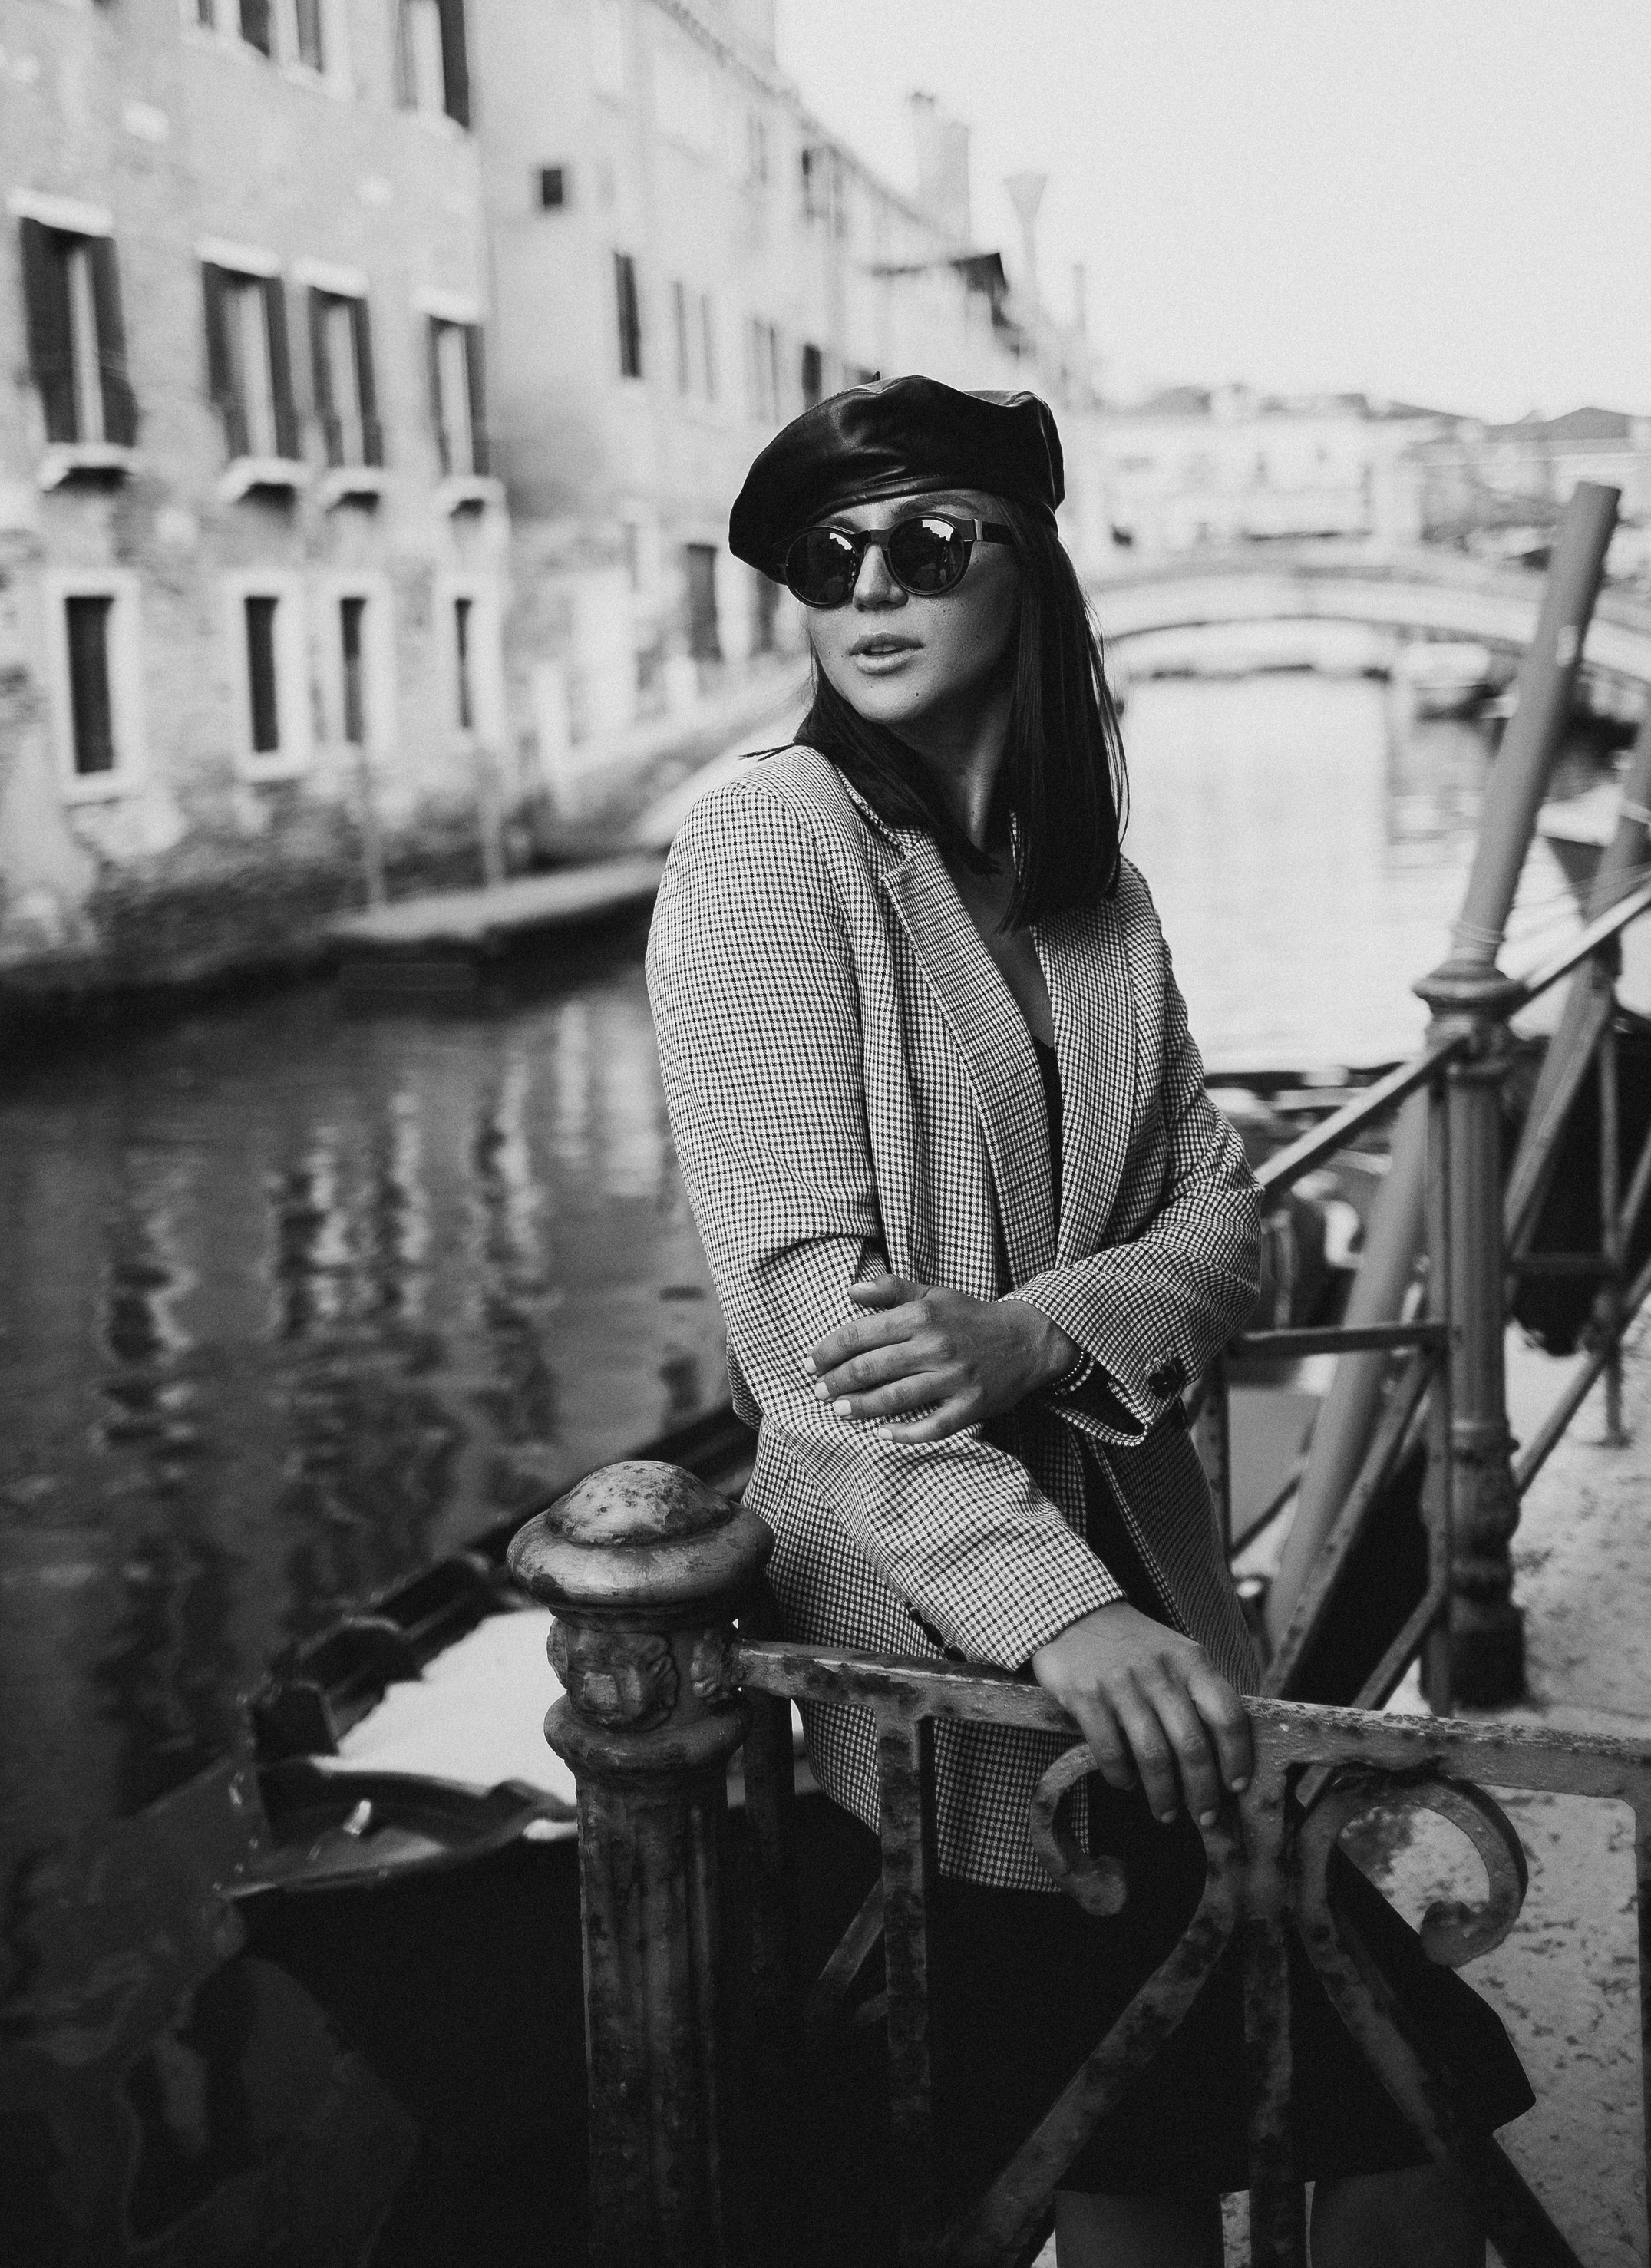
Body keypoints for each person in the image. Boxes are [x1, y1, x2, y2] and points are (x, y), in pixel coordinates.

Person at [646, 376, 1530, 2267]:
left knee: (1371, 2130)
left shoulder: (1091, 896)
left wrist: (1034, 1336)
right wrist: (1067, 1620)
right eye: (824, 557)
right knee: (1148, 2161)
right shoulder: (765, 851)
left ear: (1025, 568)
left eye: (924, 541)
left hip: (1151, 1637)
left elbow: (1231, 1237)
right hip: (957, 1681)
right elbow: (817, 1348)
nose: (868, 585)